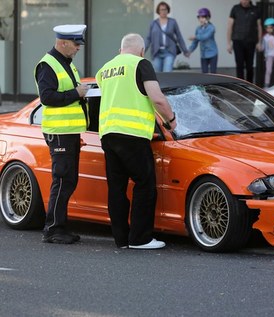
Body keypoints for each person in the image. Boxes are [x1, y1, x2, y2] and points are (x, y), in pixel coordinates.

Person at [95, 33, 177, 250]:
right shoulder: (141, 64)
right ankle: (140, 239)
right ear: (142, 51)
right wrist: (171, 120)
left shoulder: (104, 70)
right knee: (145, 184)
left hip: (108, 134)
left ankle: (121, 239)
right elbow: (157, 98)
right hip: (132, 134)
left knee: (117, 187)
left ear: (120, 49)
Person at [34, 24, 89, 244]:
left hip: (69, 132)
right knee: (63, 179)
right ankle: (53, 229)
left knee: (68, 180)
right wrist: (76, 93)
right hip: (59, 133)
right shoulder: (48, 64)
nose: (78, 48)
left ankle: (60, 226)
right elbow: (47, 97)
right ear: (63, 42)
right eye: (76, 44)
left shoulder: (66, 64)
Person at [145, 1, 189, 72]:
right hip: (157, 52)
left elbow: (179, 37)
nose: (163, 11)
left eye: (165, 9)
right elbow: (148, 38)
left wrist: (185, 50)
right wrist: (143, 50)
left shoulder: (172, 22)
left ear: (168, 10)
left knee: (167, 72)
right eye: (161, 9)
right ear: (158, 11)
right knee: (157, 74)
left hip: (169, 51)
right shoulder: (153, 23)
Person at [227, 0, 263, 83]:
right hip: (237, 41)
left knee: (249, 66)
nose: (243, 1)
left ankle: (250, 86)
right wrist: (228, 43)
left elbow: (259, 26)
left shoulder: (255, 9)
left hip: (251, 41)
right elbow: (229, 26)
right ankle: (240, 86)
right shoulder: (235, 9)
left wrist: (259, 42)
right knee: (239, 65)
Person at [188, 8, 218, 74]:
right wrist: (190, 50)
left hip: (212, 53)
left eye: (203, 17)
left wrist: (195, 37)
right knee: (204, 73)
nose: (201, 19)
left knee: (213, 73)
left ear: (208, 17)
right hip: (203, 54)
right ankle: (206, 85)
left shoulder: (211, 27)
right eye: (199, 17)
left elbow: (205, 37)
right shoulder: (198, 28)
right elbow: (195, 42)